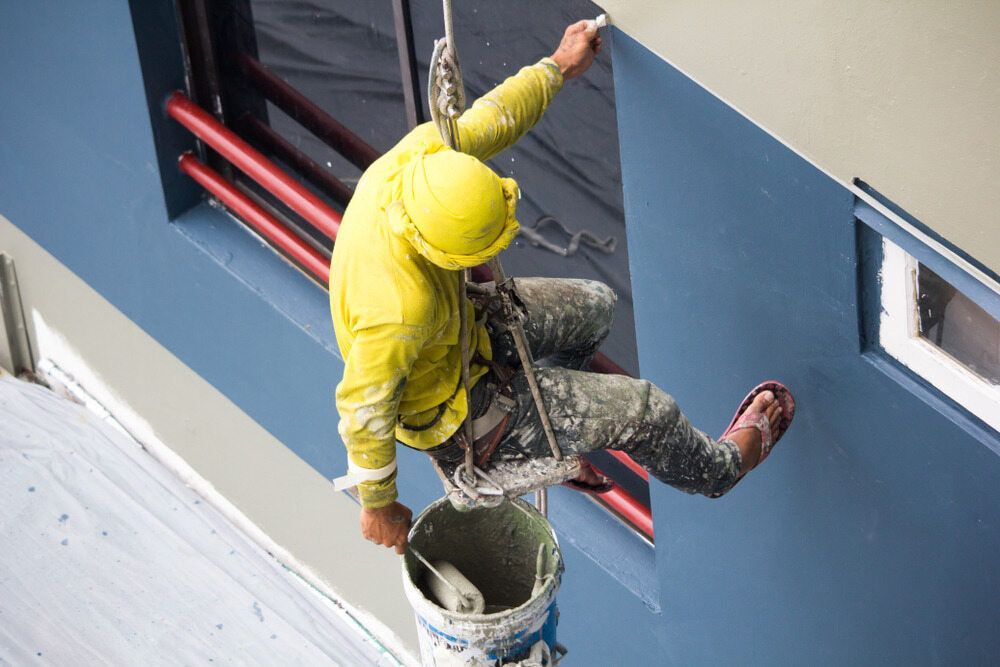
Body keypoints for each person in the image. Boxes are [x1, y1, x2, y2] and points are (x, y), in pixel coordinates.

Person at [329, 20, 795, 554]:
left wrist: (557, 65)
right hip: (454, 410)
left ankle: (547, 434)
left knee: (596, 307)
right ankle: (720, 469)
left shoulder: (428, 160)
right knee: (644, 410)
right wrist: (378, 504)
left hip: (456, 331)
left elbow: (495, 117)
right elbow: (363, 408)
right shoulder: (398, 311)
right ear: (439, 251)